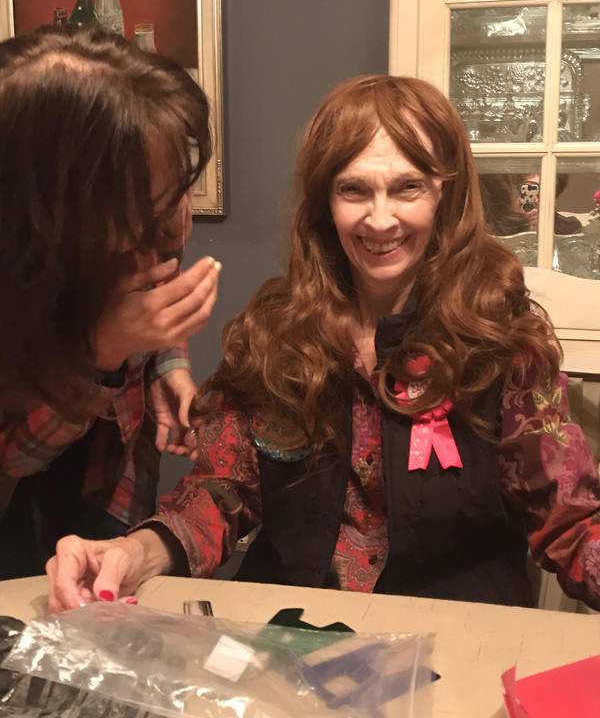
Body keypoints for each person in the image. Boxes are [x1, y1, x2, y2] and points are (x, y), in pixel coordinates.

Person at [47, 75, 600, 612]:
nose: (379, 219)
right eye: (353, 189)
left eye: (407, 187)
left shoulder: (503, 340)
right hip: (290, 639)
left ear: (445, 195)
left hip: (456, 640)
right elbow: (219, 491)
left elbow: (568, 518)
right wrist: (132, 552)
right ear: (323, 203)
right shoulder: (275, 330)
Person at [0, 26, 221, 579]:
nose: (175, 221)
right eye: (151, 198)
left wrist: (168, 362)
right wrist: (101, 354)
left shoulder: (150, 220)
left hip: (112, 489)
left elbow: (149, 288)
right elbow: (14, 460)